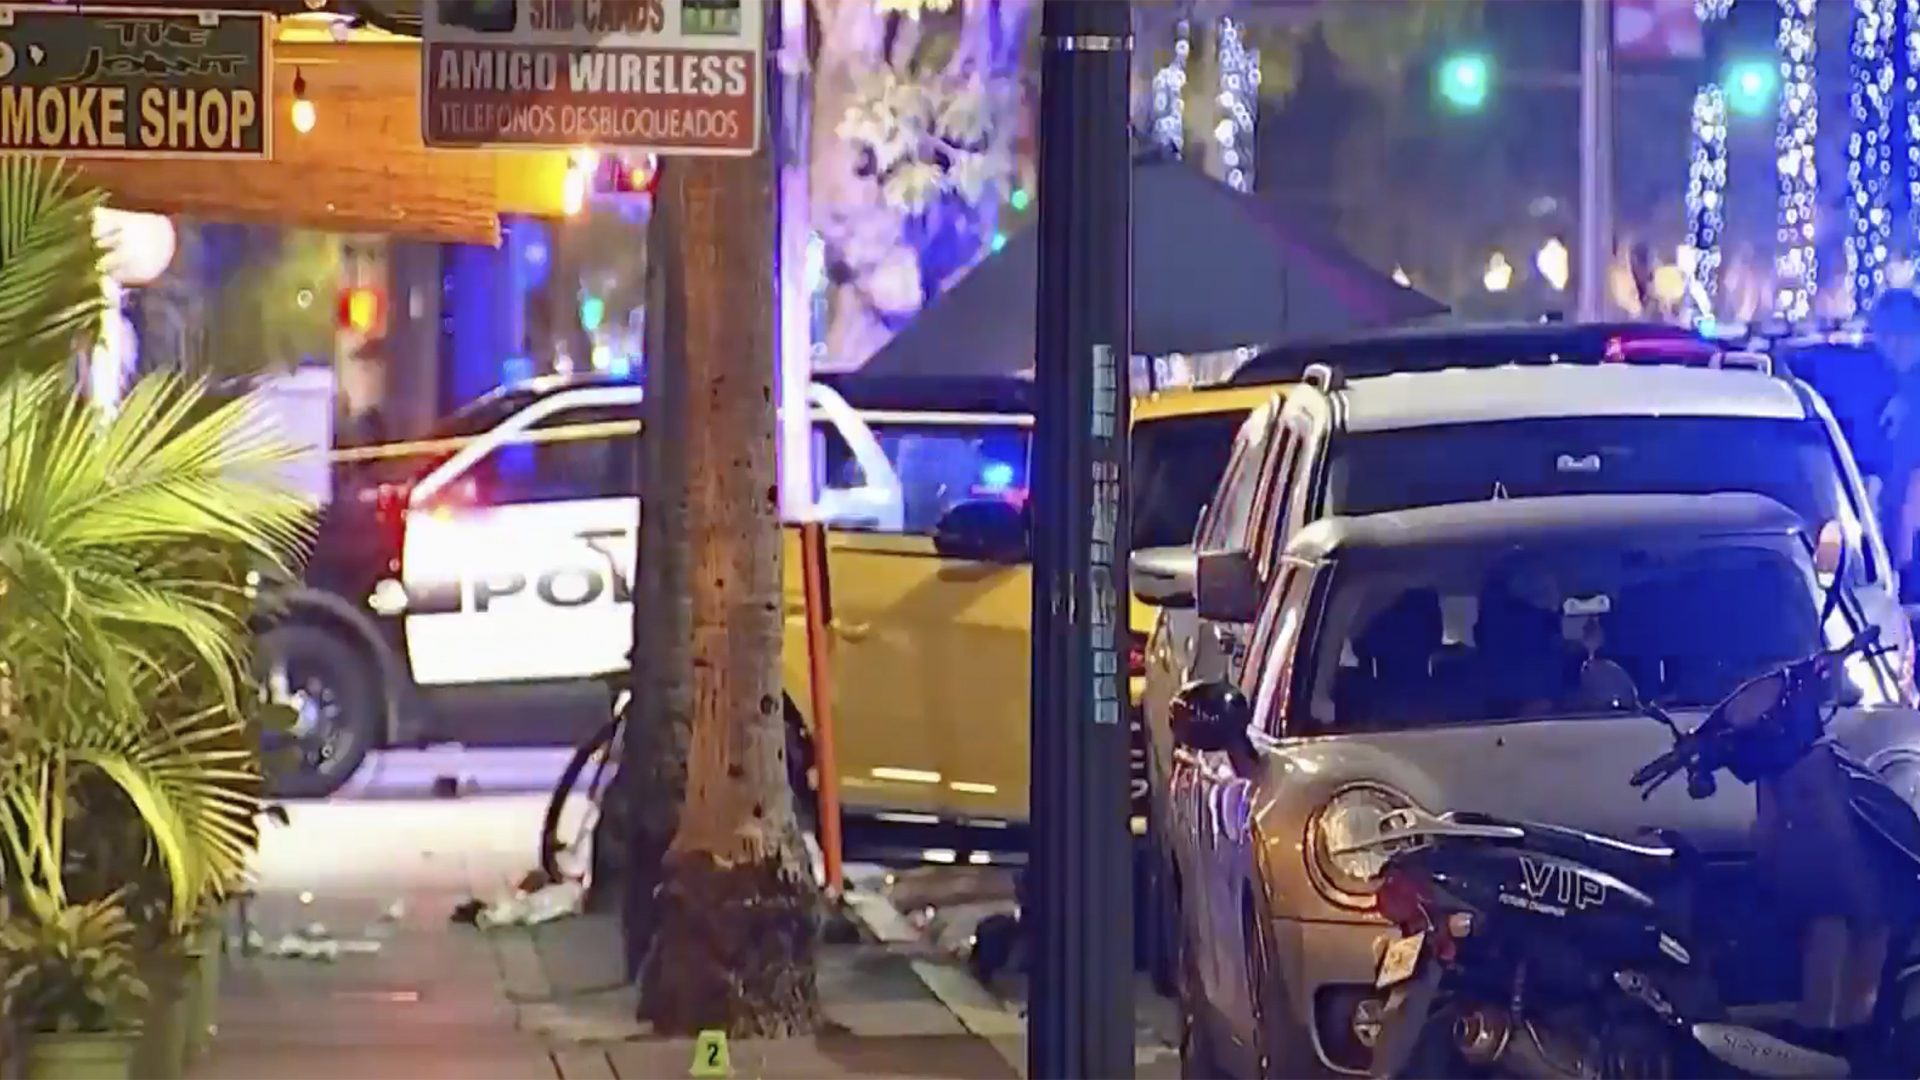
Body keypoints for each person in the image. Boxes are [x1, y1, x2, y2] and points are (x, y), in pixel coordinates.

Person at [1867, 289, 1920, 573]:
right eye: (1884, 335)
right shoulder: (1889, 388)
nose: (1890, 345)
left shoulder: (1910, 394)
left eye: (1900, 334)